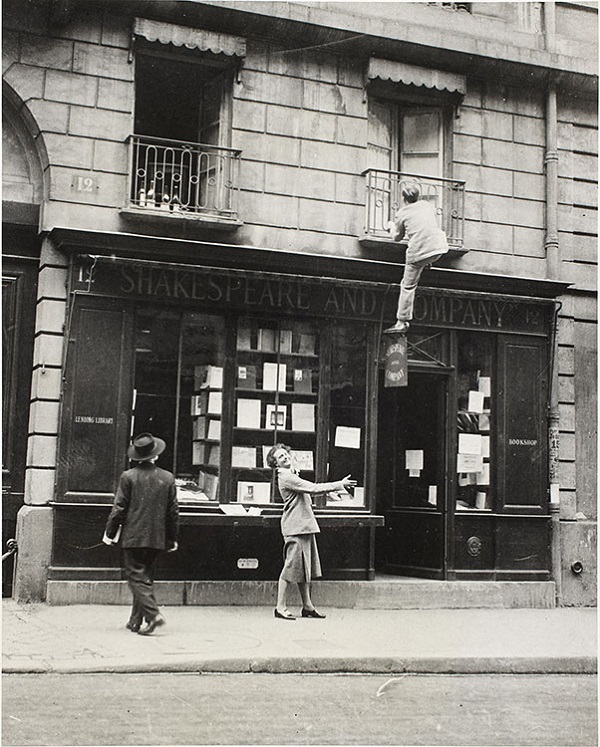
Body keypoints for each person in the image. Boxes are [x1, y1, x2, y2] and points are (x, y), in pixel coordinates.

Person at [266, 443, 357, 620]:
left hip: (303, 526)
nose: (285, 457)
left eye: (286, 454)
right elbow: (313, 488)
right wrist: (339, 484)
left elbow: (308, 493)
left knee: (304, 569)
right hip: (296, 527)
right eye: (280, 457)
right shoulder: (286, 477)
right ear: (276, 464)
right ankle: (280, 607)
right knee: (290, 569)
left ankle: (307, 606)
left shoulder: (291, 474)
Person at [103, 433, 179, 636]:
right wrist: (172, 538)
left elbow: (119, 508)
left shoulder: (128, 477)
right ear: (156, 455)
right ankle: (135, 621)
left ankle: (153, 616)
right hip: (156, 538)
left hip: (133, 536)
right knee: (144, 578)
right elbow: (173, 512)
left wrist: (110, 532)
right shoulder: (167, 478)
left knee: (135, 577)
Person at [384, 184, 449, 334]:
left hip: (419, 252)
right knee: (424, 260)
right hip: (438, 248)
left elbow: (396, 237)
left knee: (407, 286)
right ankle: (427, 263)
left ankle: (401, 321)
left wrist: (390, 227)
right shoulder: (427, 206)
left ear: (403, 199)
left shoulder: (402, 213)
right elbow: (426, 225)